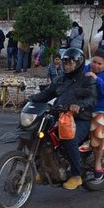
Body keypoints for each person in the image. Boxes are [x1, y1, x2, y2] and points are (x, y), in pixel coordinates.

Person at [29, 48, 97, 190]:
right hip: (59, 115)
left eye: (70, 63)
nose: (67, 66)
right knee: (40, 136)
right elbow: (47, 93)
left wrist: (79, 106)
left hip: (80, 119)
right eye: (65, 62)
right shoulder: (60, 79)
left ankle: (76, 176)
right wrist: (30, 100)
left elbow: (91, 98)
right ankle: (44, 170)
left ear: (78, 63)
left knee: (68, 138)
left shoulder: (87, 79)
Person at [83, 49, 104, 182]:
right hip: (85, 109)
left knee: (97, 130)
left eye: (99, 64)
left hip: (103, 111)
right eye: (94, 62)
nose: (95, 65)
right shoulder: (85, 69)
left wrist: (97, 79)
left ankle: (98, 163)